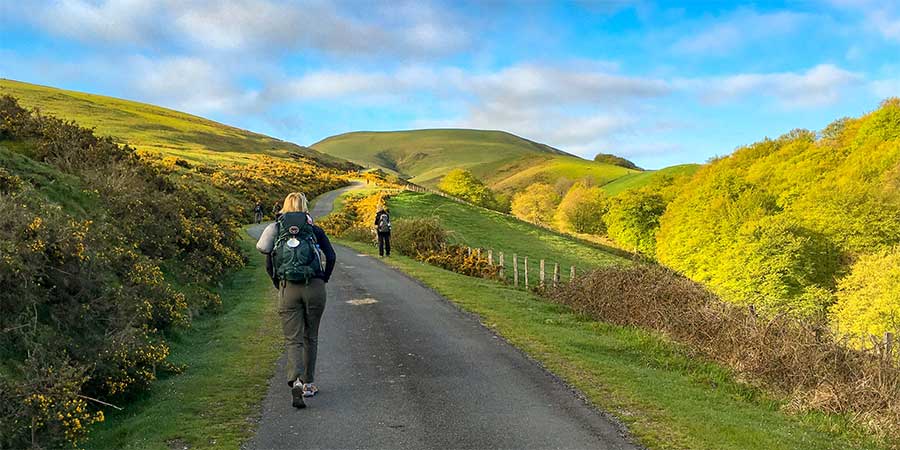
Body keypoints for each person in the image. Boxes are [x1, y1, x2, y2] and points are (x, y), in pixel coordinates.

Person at [256, 192, 336, 409]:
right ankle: (309, 384)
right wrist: (323, 278)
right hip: (315, 287)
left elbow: (267, 261)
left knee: (294, 339)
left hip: (287, 288)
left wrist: (278, 283)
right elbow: (332, 256)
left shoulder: (276, 228)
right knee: (311, 336)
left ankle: (297, 381)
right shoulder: (314, 230)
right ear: (305, 207)